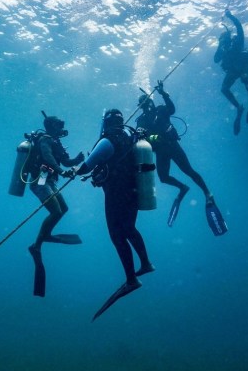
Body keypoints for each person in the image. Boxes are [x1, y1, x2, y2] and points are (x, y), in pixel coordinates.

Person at [74, 109, 155, 320]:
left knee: (116, 234)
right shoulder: (131, 135)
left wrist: (72, 171)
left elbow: (86, 167)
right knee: (129, 228)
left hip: (117, 194)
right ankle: (146, 264)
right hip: (135, 191)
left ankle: (131, 280)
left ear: (106, 123)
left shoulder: (106, 141)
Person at [136, 81, 214, 227]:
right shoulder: (141, 120)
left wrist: (163, 93)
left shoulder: (160, 110)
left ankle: (207, 193)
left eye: (147, 103)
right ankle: (183, 187)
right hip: (161, 151)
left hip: (172, 146)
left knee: (188, 170)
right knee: (163, 178)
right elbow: (141, 136)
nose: (147, 106)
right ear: (140, 107)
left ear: (150, 102)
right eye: (143, 105)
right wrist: (150, 137)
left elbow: (171, 109)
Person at [27, 114, 85, 297]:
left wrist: (77, 160)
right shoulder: (45, 140)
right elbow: (48, 157)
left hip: (49, 181)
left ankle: (46, 236)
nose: (62, 128)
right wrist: (62, 170)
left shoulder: (55, 141)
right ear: (51, 126)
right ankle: (37, 245)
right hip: (40, 180)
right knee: (55, 211)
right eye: (59, 125)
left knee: (63, 210)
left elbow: (65, 161)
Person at [214, 8, 248, 135]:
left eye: (224, 38)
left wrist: (230, 16)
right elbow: (215, 59)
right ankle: (238, 107)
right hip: (233, 71)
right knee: (224, 89)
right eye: (222, 39)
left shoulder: (238, 43)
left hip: (241, 67)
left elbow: (239, 26)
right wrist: (220, 45)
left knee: (245, 77)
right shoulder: (223, 48)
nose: (224, 40)